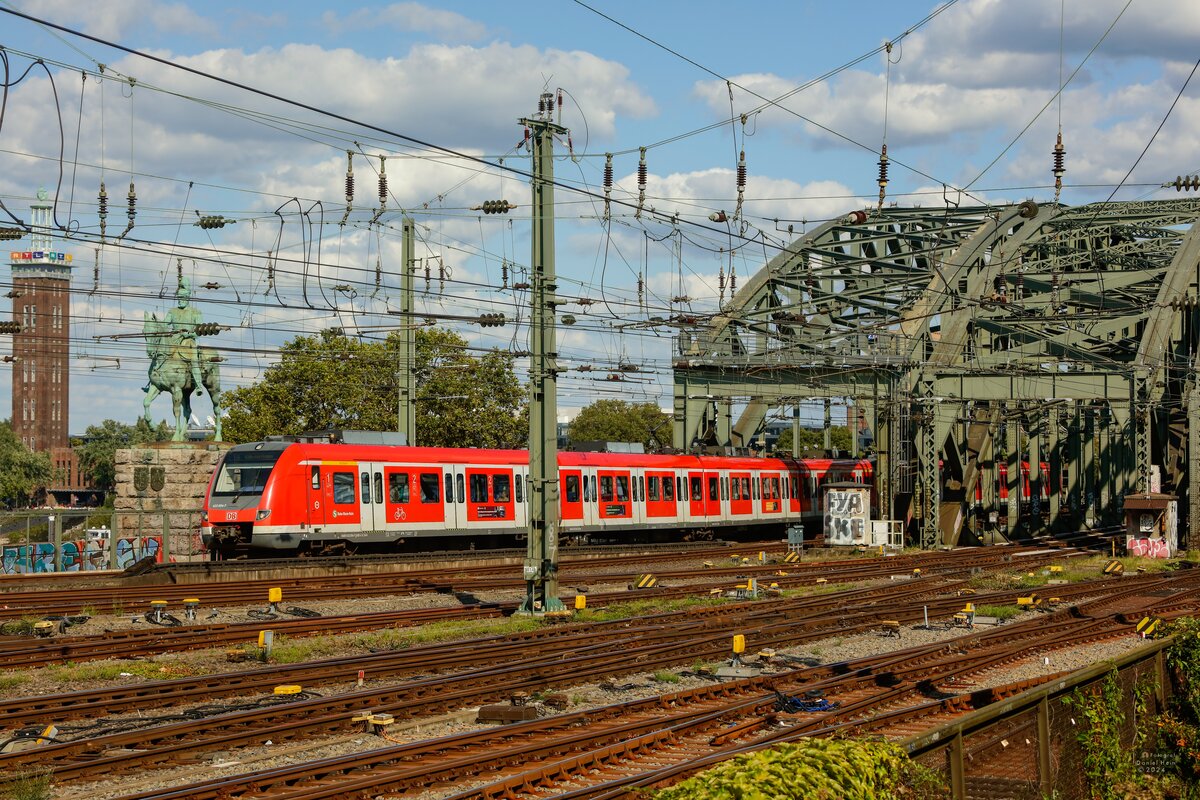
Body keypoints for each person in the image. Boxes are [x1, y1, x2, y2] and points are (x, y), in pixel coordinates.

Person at [145, 278, 206, 395]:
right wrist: (155, 323)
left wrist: (189, 334)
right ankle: (152, 381)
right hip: (173, 340)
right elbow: (164, 324)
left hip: (188, 342)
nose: (180, 300)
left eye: (183, 298)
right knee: (158, 354)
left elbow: (199, 331)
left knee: (193, 360)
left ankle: (198, 385)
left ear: (188, 297)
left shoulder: (196, 312)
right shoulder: (172, 311)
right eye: (179, 298)